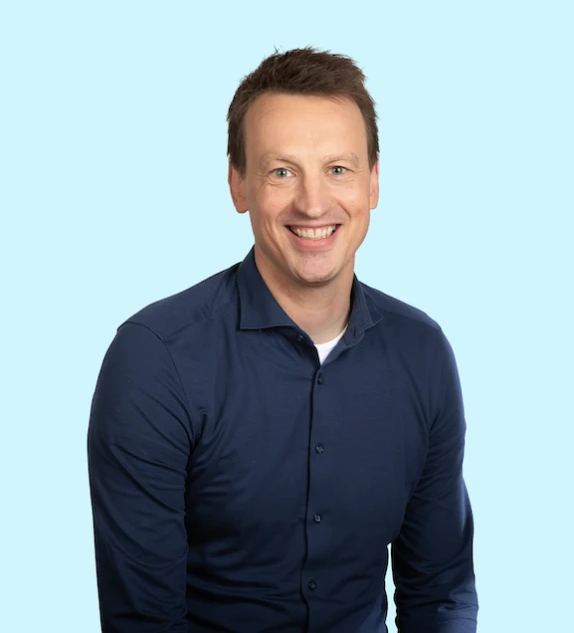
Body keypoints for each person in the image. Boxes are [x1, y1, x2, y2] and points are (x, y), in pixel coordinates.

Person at [87, 47, 478, 633]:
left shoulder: (422, 353)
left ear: (373, 182)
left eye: (338, 169)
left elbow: (440, 592)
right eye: (281, 171)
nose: (313, 204)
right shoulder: (154, 360)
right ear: (238, 184)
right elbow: (144, 622)